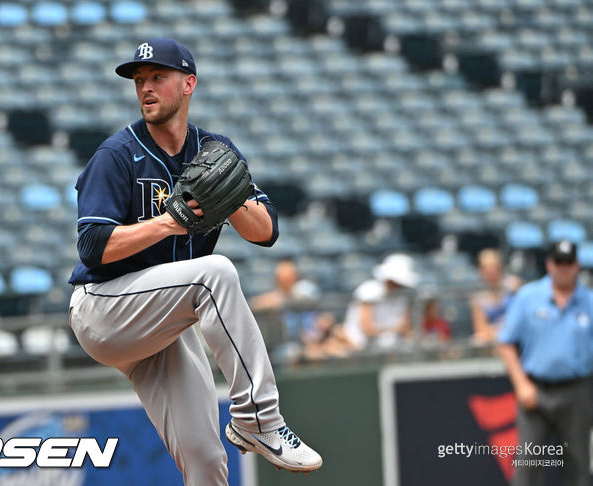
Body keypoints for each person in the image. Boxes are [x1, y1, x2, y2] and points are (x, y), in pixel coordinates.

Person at [67, 38, 322, 485]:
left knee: (206, 458)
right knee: (215, 273)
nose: (145, 87)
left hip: (165, 319)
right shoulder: (116, 155)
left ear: (189, 84)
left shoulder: (213, 150)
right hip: (106, 308)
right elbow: (91, 245)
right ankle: (259, 420)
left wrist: (232, 198)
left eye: (157, 78)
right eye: (139, 80)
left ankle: (246, 430)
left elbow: (265, 233)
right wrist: (169, 223)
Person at [498, 240, 592, 486]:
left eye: (568, 263)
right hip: (535, 389)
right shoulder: (529, 297)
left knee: (578, 465)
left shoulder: (589, 301)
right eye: (558, 262)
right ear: (549, 264)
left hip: (577, 391)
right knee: (528, 465)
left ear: (577, 266)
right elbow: (506, 342)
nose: (563, 268)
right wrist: (521, 384)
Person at [343, 253, 420, 350]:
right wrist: (394, 329)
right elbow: (366, 327)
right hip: (361, 347)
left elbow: (406, 326)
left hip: (391, 347)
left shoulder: (403, 296)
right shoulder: (368, 291)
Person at [470, 248, 521, 343]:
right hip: (494, 339)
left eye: (493, 267)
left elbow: (521, 316)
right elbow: (481, 330)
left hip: (515, 334)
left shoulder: (513, 285)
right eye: (485, 268)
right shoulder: (478, 298)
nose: (490, 272)